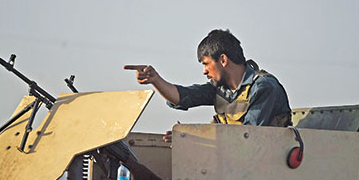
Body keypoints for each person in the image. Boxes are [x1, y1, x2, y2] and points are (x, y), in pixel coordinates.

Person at [124, 29, 291, 127]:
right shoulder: (220, 89)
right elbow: (183, 96)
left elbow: (248, 136)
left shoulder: (263, 87)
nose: (204, 71)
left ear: (223, 60)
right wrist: (155, 79)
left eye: (206, 64)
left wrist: (197, 140)